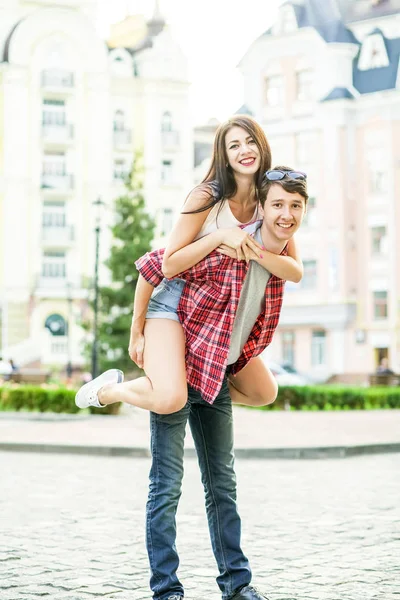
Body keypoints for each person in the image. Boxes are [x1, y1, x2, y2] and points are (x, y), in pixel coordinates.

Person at [76, 167, 309, 600]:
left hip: (217, 370)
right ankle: (166, 590)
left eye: (295, 206)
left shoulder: (274, 245)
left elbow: (295, 271)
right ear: (262, 205)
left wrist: (259, 251)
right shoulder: (223, 232)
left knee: (223, 482)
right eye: (278, 204)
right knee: (167, 484)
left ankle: (237, 587)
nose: (286, 213)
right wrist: (138, 330)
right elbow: (155, 266)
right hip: (179, 359)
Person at [75, 115, 303, 413]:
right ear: (224, 156)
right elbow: (167, 264)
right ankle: (108, 390)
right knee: (170, 400)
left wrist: (252, 251)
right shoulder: (206, 197)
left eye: (250, 142)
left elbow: (293, 268)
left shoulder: (269, 201)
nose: (244, 151)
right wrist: (220, 236)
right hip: (175, 300)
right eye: (234, 145)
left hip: (218, 313)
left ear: (261, 146)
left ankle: (188, 386)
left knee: (263, 391)